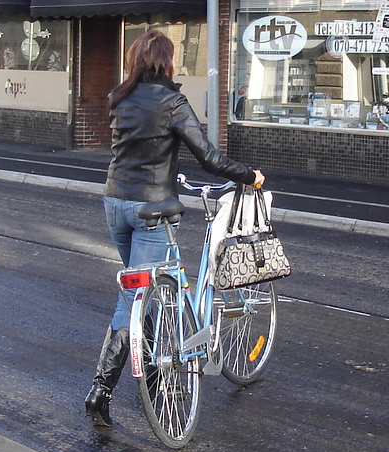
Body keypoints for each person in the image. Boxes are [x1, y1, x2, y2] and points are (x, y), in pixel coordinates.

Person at [84, 30, 265, 427]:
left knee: (140, 294)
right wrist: (249, 175)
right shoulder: (172, 102)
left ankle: (150, 379)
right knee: (133, 300)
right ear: (168, 62)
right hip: (154, 210)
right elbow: (209, 157)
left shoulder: (120, 97)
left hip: (116, 204)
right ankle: (102, 389)